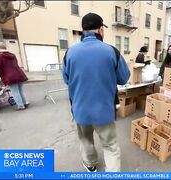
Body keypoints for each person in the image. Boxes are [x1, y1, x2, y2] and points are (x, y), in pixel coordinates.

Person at [62, 13, 130, 172]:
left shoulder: (70, 53)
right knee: (110, 145)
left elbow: (66, 79)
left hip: (80, 109)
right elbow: (124, 78)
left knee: (85, 139)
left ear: (83, 31)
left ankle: (90, 164)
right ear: (100, 30)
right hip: (104, 110)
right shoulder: (112, 51)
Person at [0, 42, 29, 111]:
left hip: (10, 76)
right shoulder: (12, 55)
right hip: (19, 74)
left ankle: (21, 105)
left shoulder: (0, 56)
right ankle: (25, 103)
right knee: (20, 90)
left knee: (15, 91)